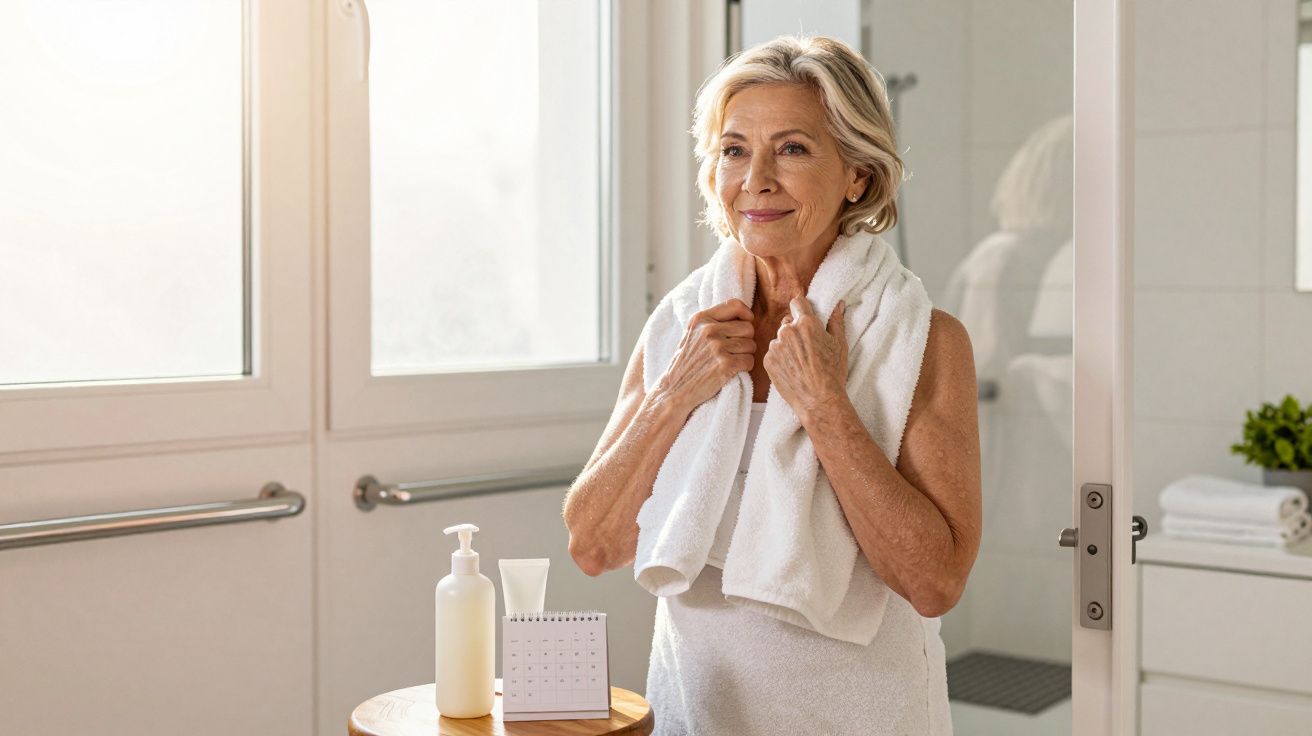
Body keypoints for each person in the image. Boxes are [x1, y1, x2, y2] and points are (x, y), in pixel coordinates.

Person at [562, 34, 981, 735]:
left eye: (791, 148)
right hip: (698, 705)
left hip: (861, 711)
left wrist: (824, 405)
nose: (754, 178)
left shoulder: (927, 341)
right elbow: (593, 543)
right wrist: (673, 395)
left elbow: (934, 583)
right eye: (733, 149)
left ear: (857, 174)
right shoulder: (681, 328)